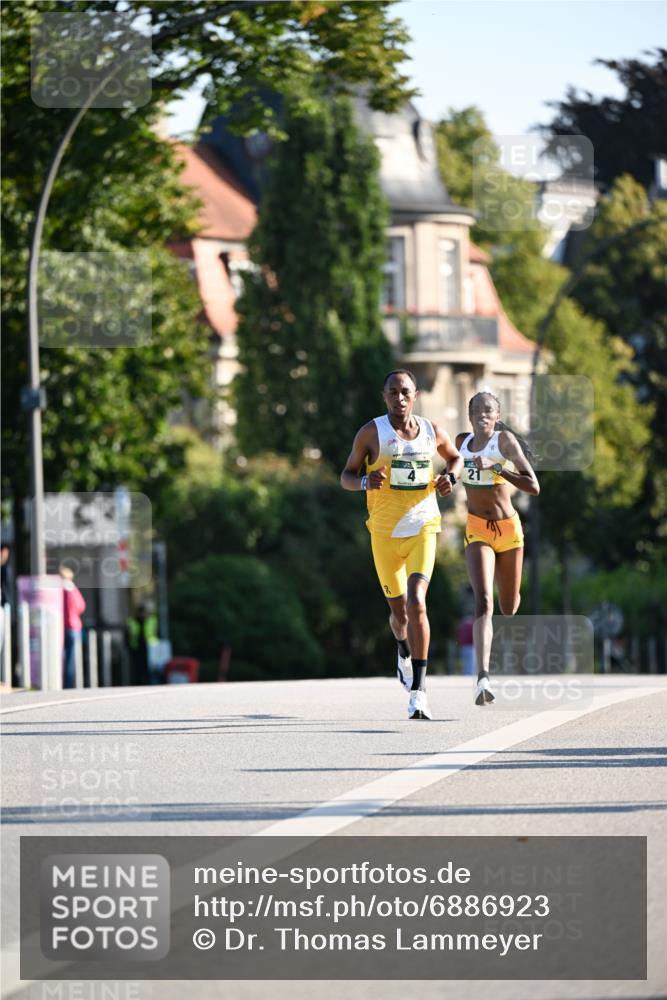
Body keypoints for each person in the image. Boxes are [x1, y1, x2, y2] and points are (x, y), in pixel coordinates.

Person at [341, 369, 462, 720]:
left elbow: (455, 457)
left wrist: (449, 478)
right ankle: (402, 649)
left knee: (417, 605)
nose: (400, 398)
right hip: (384, 534)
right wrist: (366, 481)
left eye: (405, 391)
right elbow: (345, 476)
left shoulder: (430, 431)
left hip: (424, 526)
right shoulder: (370, 433)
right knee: (399, 616)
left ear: (416, 394)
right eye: (393, 392)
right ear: (385, 396)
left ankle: (419, 691)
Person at [456, 391, 539, 705]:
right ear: (469, 415)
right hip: (477, 528)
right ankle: (482, 678)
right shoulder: (462, 441)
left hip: (508, 530)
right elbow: (451, 467)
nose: (482, 416)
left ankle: (511, 599)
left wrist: (498, 468)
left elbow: (534, 485)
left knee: (508, 605)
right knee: (484, 601)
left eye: (488, 411)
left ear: (497, 415)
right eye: (476, 410)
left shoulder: (504, 443)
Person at [60, 564, 86, 689]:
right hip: (73, 627)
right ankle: (68, 685)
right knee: (70, 659)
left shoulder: (57, 591)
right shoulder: (72, 589)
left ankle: (58, 682)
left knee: (60, 657)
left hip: (60, 628)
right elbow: (81, 606)